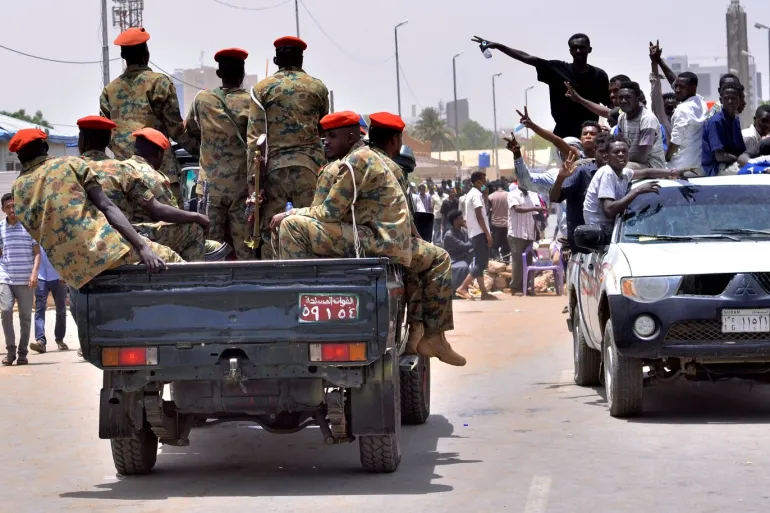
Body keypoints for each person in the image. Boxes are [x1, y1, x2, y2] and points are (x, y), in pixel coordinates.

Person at [274, 112, 464, 366]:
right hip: (393, 243)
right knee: (437, 259)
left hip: (377, 242)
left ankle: (296, 310)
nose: (325, 142)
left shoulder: (354, 163)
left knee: (291, 226)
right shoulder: (378, 160)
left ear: (351, 137)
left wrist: (291, 212)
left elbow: (328, 213)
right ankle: (428, 334)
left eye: (331, 136)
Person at [9, 128, 180, 291]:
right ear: (45, 146)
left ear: (19, 157)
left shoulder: (17, 189)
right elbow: (107, 206)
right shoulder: (71, 164)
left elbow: (35, 230)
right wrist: (143, 248)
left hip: (73, 273)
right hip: (106, 251)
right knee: (171, 258)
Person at [248, 36, 329, 259]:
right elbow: (324, 130)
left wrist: (253, 184)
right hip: (310, 169)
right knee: (312, 226)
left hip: (274, 171)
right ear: (301, 60)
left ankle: (272, 285)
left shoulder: (261, 89)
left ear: (276, 60)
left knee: (271, 231)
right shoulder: (318, 88)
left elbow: (255, 138)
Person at [81, 123, 209, 261]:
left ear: (81, 140)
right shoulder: (123, 170)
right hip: (127, 237)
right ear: (160, 154)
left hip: (86, 239)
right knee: (194, 230)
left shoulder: (71, 170)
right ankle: (193, 279)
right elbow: (161, 211)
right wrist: (196, 216)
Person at [100, 27, 188, 207]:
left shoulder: (109, 90)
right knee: (171, 225)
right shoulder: (159, 82)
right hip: (160, 173)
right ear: (145, 54)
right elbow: (176, 129)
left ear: (124, 56)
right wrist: (200, 148)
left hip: (124, 176)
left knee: (131, 229)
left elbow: (106, 136)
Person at [473, 34, 610, 138]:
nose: (578, 51)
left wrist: (614, 127)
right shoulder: (557, 69)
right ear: (570, 51)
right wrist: (498, 46)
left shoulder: (599, 75)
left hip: (591, 135)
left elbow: (611, 107)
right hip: (563, 135)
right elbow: (526, 57)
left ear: (589, 49)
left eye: (582, 47)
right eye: (575, 48)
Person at [185, 47, 252, 260]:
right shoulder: (252, 102)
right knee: (246, 248)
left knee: (209, 247)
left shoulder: (202, 99)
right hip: (242, 188)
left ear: (219, 73)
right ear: (242, 73)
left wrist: (207, 151)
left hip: (209, 188)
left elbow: (191, 130)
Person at [583, 136, 688, 230]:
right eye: (616, 152)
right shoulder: (607, 173)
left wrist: (673, 172)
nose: (621, 154)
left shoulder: (623, 172)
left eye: (624, 151)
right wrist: (637, 190)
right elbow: (609, 210)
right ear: (606, 157)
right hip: (599, 233)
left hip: (614, 227)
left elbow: (645, 173)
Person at [550, 133, 612, 252]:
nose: (606, 155)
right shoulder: (581, 172)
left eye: (609, 152)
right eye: (602, 151)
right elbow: (554, 198)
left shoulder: (618, 175)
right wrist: (560, 178)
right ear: (594, 151)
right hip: (583, 248)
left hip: (610, 246)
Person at [0, 193, 40, 366]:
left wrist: (34, 273)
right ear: (3, 210)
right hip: (6, 278)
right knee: (6, 311)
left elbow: (37, 253)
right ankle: (10, 351)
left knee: (25, 318)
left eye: (14, 206)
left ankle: (22, 353)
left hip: (26, 280)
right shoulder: (0, 227)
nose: (11, 210)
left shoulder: (29, 227)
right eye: (8, 207)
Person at [455, 171, 496, 301]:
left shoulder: (473, 194)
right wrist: (488, 234)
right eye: (484, 180)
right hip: (480, 233)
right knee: (481, 264)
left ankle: (484, 292)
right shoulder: (476, 195)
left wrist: (485, 195)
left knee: (480, 262)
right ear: (478, 181)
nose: (485, 183)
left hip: (475, 233)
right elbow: (479, 216)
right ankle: (462, 287)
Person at [702, 82, 750, 176]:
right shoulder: (716, 121)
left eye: (733, 98)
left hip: (731, 163)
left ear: (740, 100)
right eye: (726, 98)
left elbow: (741, 150)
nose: (730, 101)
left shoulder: (735, 120)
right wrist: (740, 159)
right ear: (721, 100)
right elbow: (720, 156)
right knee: (756, 172)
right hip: (716, 168)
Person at [615, 81, 666, 169]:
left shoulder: (647, 119)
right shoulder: (621, 117)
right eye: (620, 97)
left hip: (652, 165)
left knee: (616, 167)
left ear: (637, 98)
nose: (623, 101)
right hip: (632, 162)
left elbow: (642, 157)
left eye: (628, 97)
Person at [29, 247, 68, 355]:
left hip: (58, 277)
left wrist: (63, 273)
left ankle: (60, 339)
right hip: (41, 277)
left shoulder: (58, 233)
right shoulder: (35, 236)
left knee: (61, 310)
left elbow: (65, 252)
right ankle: (40, 341)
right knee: (39, 309)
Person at [507, 186, 545, 296]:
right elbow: (517, 209)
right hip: (516, 234)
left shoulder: (531, 196)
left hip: (529, 234)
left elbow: (533, 217)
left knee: (528, 262)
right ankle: (515, 287)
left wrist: (538, 231)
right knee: (517, 262)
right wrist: (534, 208)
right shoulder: (512, 194)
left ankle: (526, 286)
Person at [442, 210, 473, 295]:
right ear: (455, 221)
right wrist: (475, 240)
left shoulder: (464, 231)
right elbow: (464, 246)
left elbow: (468, 245)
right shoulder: (449, 235)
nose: (463, 220)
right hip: (453, 259)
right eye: (461, 218)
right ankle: (460, 290)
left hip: (463, 256)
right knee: (463, 267)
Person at [488, 182, 511, 259]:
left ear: (496, 188)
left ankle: (498, 262)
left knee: (494, 247)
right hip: (507, 225)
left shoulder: (491, 196)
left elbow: (488, 212)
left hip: (495, 225)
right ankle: (506, 263)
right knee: (506, 247)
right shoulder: (509, 195)